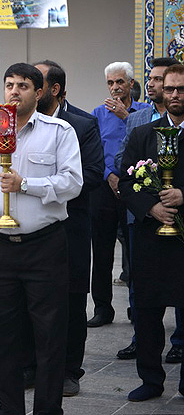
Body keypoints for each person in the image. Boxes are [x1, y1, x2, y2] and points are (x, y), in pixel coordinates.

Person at [0, 62, 82, 415]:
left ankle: (48, 408)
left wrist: (26, 184)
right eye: (9, 84)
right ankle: (9, 407)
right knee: (1, 335)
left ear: (39, 92)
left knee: (49, 334)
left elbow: (72, 183)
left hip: (44, 246)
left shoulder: (58, 132)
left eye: (23, 86)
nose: (14, 91)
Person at [34, 60, 105, 396]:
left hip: (69, 226)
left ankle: (68, 371)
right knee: (31, 298)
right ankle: (31, 366)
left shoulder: (82, 124)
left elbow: (92, 174)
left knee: (71, 301)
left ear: (54, 89)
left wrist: (42, 186)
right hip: (29, 226)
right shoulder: (17, 121)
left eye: (36, 82)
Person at [118, 62, 184, 401]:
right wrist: (150, 208)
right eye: (169, 88)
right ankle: (150, 379)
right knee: (146, 312)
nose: (174, 94)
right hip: (150, 237)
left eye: (181, 89)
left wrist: (183, 195)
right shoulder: (143, 134)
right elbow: (126, 181)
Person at [89, 61, 150, 328]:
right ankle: (102, 308)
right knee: (102, 251)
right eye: (110, 83)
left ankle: (137, 307)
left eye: (120, 82)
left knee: (136, 250)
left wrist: (127, 116)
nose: (115, 88)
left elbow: (147, 143)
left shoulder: (144, 112)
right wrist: (109, 175)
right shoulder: (97, 114)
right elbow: (94, 151)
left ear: (131, 84)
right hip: (105, 187)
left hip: (135, 186)